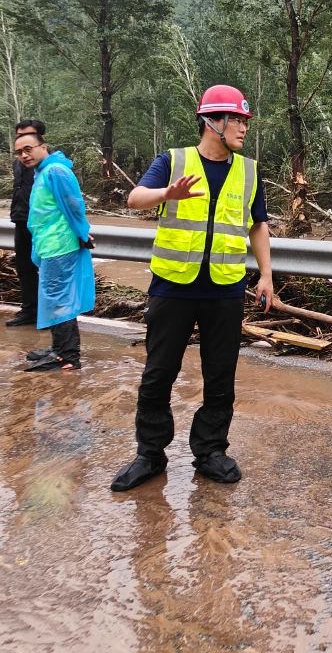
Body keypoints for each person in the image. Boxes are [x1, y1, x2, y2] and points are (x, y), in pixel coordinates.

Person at [110, 85, 275, 492]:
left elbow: (258, 224)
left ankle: (210, 452)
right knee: (158, 374)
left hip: (224, 289)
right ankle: (150, 454)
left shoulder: (249, 170)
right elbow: (135, 199)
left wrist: (267, 275)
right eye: (235, 119)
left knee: (221, 375)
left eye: (244, 120)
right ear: (211, 122)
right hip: (173, 287)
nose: (242, 128)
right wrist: (168, 192)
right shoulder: (173, 160)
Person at [15, 129, 95, 372]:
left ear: (43, 146)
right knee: (54, 297)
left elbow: (73, 205)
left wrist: (83, 233)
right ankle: (59, 348)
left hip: (59, 245)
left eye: (28, 149)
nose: (24, 155)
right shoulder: (44, 171)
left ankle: (67, 356)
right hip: (49, 244)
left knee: (59, 298)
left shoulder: (56, 171)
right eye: (19, 152)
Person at [7, 118, 45, 329]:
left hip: (41, 224)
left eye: (26, 137)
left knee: (47, 270)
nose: (22, 144)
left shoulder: (49, 166)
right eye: (18, 137)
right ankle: (30, 311)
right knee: (24, 268)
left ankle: (50, 316)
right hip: (21, 220)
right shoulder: (19, 162)